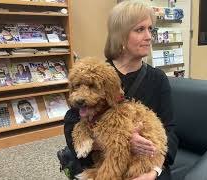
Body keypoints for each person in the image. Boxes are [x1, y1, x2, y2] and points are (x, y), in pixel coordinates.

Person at [63, 1, 178, 180]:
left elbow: (169, 131)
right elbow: (72, 122)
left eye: (150, 29)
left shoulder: (158, 79)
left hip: (145, 163)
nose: (149, 36)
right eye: (140, 30)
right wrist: (117, 142)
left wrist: (153, 172)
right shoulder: (97, 73)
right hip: (101, 161)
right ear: (120, 36)